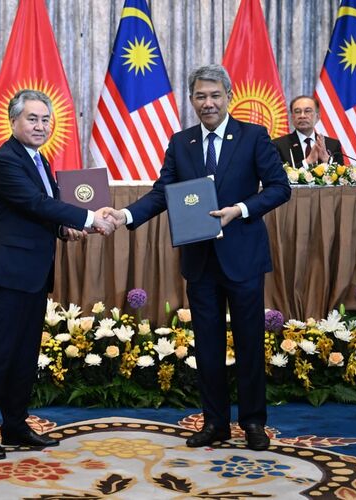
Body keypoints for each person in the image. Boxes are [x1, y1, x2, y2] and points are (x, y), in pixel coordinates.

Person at [105, 64, 291, 451]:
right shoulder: (181, 142)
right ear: (191, 100)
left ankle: (253, 422)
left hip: (243, 258)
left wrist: (240, 209)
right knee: (207, 346)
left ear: (228, 97)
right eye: (200, 96)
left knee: (249, 343)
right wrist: (125, 215)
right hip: (200, 261)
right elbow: (163, 192)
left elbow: (279, 188)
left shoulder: (254, 136)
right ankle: (215, 423)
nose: (208, 103)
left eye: (215, 95)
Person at [0, 89, 114, 460]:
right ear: (13, 121)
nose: (40, 125)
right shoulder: (6, 160)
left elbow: (39, 214)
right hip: (8, 273)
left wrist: (64, 229)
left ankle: (15, 425)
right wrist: (88, 218)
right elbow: (35, 203)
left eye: (45, 119)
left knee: (24, 354)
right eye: (32, 118)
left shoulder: (38, 159)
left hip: (33, 272)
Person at [272, 95, 343, 167]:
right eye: (297, 112)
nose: (302, 116)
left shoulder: (333, 145)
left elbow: (342, 173)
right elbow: (278, 173)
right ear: (292, 117)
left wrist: (327, 160)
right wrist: (307, 162)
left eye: (307, 111)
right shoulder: (279, 145)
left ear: (318, 116)